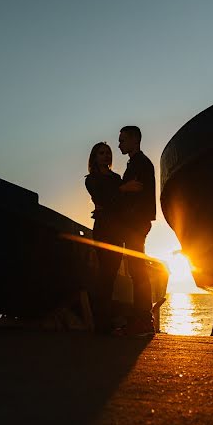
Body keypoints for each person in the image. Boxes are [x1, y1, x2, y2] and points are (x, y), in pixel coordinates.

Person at [117, 125, 156, 336]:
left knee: (137, 270)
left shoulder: (141, 163)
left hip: (136, 223)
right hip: (136, 222)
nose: (119, 144)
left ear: (134, 140)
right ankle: (142, 318)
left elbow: (137, 196)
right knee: (136, 269)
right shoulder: (136, 163)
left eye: (122, 140)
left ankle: (143, 319)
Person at [84, 142, 126, 335]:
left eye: (108, 153)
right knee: (105, 274)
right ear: (94, 157)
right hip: (102, 229)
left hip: (117, 229)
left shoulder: (117, 178)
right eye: (101, 153)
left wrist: (114, 201)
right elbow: (104, 199)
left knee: (112, 274)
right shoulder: (91, 179)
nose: (106, 156)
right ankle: (101, 321)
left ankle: (105, 319)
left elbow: (117, 204)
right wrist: (120, 194)